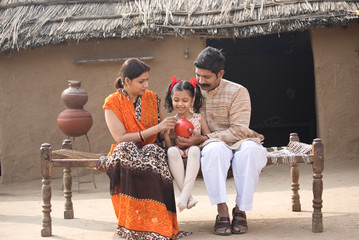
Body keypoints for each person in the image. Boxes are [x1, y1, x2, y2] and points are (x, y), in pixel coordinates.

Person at [176, 47, 267, 236]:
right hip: (211, 144)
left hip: (240, 140)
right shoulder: (194, 92)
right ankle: (222, 210)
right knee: (214, 151)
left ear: (221, 74)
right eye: (198, 75)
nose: (201, 81)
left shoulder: (238, 92)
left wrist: (206, 137)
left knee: (250, 151)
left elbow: (240, 130)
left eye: (206, 77)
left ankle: (241, 210)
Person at [97, 58, 190, 239]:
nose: (146, 85)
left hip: (151, 148)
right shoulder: (112, 102)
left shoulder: (152, 98)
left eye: (147, 80)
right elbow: (121, 138)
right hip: (127, 148)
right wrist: (157, 128)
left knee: (153, 152)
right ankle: (132, 223)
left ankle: (157, 223)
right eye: (141, 81)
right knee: (124, 152)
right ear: (127, 81)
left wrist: (171, 141)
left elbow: (163, 132)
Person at [163, 76, 211, 212]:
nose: (180, 104)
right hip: (178, 151)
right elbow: (169, 147)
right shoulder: (171, 121)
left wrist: (198, 139)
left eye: (185, 100)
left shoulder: (198, 118)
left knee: (195, 150)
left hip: (194, 151)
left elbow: (208, 137)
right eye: (176, 100)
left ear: (192, 100)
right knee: (172, 151)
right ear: (171, 99)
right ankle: (188, 197)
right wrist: (167, 135)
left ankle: (184, 197)